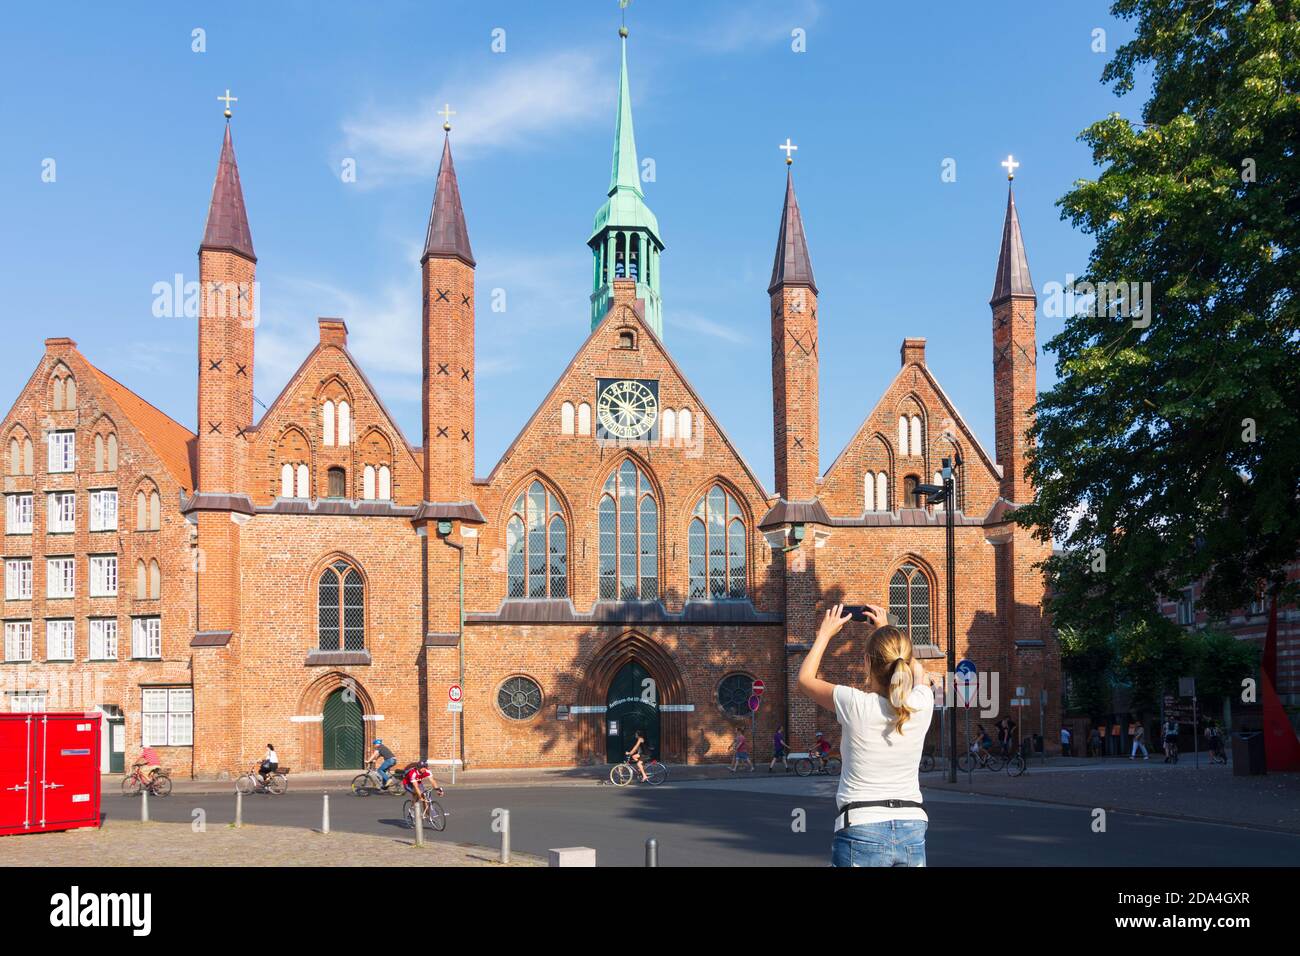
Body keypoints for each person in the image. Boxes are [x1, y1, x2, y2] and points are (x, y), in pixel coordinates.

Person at [797, 603, 934, 867]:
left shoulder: (855, 704)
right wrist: (886, 631)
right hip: (913, 827)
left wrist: (824, 634)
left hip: (861, 826)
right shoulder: (922, 702)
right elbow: (919, 673)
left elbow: (804, 680)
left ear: (867, 663)